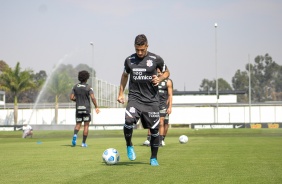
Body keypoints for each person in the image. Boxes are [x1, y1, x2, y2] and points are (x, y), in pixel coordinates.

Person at [117, 34, 170, 166]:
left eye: (142, 50)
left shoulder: (156, 59)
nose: (139, 53)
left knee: (154, 130)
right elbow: (124, 76)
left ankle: (153, 158)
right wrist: (121, 93)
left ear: (147, 46)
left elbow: (167, 72)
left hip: (151, 100)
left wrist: (160, 78)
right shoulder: (129, 60)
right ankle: (129, 145)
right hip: (135, 98)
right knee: (128, 120)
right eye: (137, 50)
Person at [70, 70, 100, 147]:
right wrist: (96, 107)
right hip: (86, 109)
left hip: (78, 109)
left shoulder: (75, 86)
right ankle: (83, 143)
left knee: (78, 124)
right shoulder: (88, 87)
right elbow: (93, 98)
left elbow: (71, 97)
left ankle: (75, 135)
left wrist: (77, 100)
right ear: (87, 78)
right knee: (86, 126)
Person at [143, 69, 173, 146]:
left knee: (163, 122)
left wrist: (170, 107)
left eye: (160, 72)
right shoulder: (152, 80)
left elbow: (170, 95)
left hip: (163, 105)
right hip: (153, 104)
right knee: (153, 122)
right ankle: (150, 139)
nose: (158, 73)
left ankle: (161, 140)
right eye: (157, 72)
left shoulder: (168, 82)